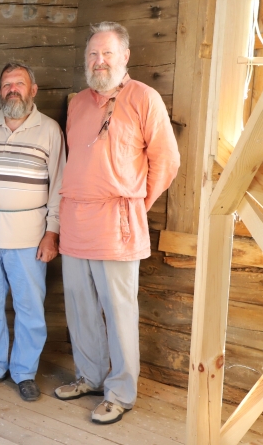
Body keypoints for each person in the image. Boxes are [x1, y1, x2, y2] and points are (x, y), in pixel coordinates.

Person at [53, 22, 180, 424]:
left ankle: (121, 392)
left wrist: (139, 204)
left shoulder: (145, 98)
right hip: (75, 219)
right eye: (92, 54)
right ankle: (89, 377)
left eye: (107, 53)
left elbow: (167, 162)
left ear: (124, 56)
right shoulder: (77, 103)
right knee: (80, 306)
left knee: (119, 309)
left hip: (117, 222)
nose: (99, 61)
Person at [0, 62, 65, 401]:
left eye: (19, 83)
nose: (12, 89)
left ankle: (24, 372)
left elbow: (60, 186)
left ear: (33, 90)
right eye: (6, 84)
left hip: (29, 237)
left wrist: (53, 232)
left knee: (29, 307)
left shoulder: (49, 130)